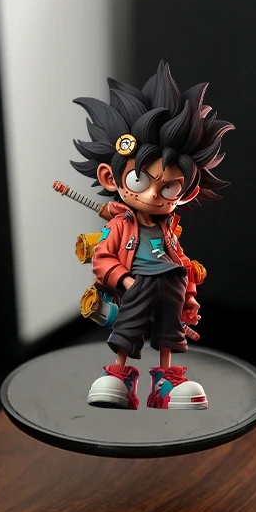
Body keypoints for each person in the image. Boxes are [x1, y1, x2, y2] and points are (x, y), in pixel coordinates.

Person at [71, 61, 233, 410]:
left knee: (169, 334)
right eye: (139, 180)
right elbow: (103, 259)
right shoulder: (121, 225)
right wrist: (125, 281)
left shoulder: (169, 230)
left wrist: (190, 297)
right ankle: (119, 376)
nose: (151, 195)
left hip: (171, 282)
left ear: (187, 192)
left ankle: (164, 385)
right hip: (138, 283)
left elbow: (182, 263)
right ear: (110, 178)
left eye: (169, 187)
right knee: (128, 329)